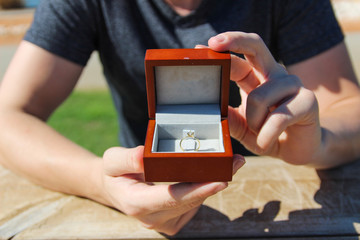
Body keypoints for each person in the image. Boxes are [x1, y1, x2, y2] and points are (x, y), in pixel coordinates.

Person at [0, 0, 359, 236]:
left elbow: (349, 105)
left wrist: (319, 140)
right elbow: (7, 117)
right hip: (144, 197)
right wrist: (100, 182)